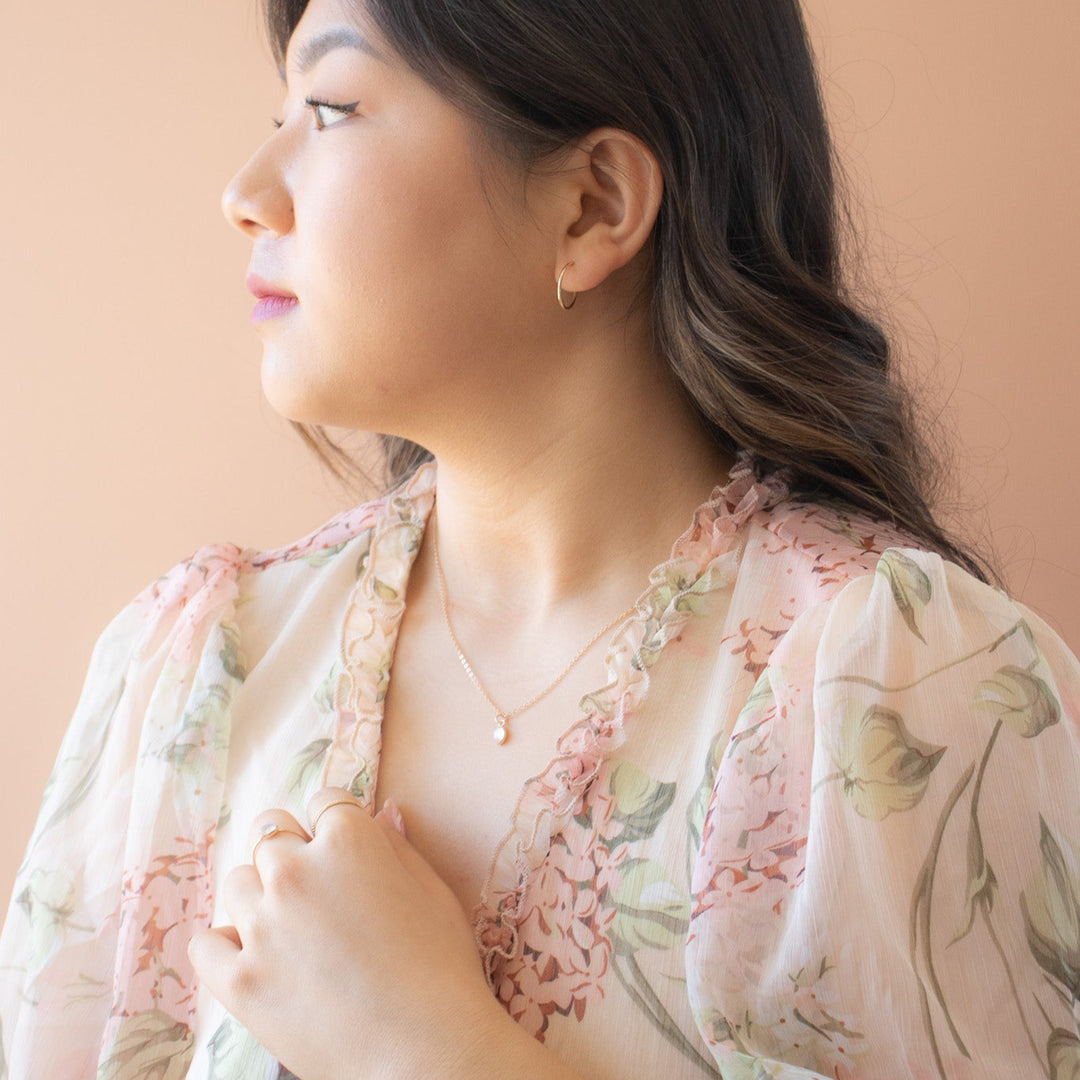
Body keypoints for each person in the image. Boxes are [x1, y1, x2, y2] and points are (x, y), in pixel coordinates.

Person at [1, 0, 1078, 1076]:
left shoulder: (894, 684)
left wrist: (427, 1048)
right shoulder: (194, 681)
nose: (245, 194)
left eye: (329, 110)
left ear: (591, 206)